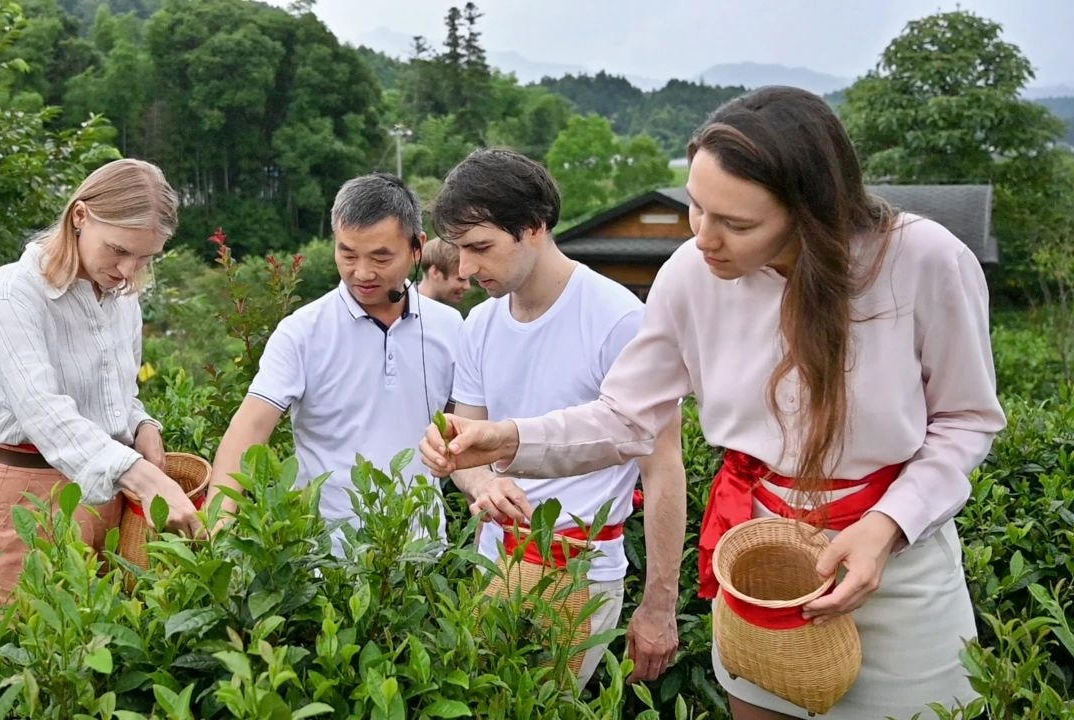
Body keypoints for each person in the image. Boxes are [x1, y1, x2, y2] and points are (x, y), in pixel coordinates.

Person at [420, 86, 1006, 720]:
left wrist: (887, 528)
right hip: (754, 560)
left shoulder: (922, 260)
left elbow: (966, 419)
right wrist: (506, 439)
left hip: (895, 566)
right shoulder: (690, 275)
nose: (704, 238)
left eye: (738, 223)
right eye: (697, 208)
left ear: (809, 211)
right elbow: (627, 418)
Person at [432, 148, 687, 690]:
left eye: (480, 248)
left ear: (534, 228)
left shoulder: (618, 319)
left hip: (582, 569)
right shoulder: (479, 324)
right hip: (494, 562)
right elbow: (467, 451)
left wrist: (660, 605)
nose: (466, 269)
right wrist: (479, 483)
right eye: (459, 251)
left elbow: (662, 468)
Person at [0, 158, 202, 616]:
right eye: (118, 250)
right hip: (29, 499)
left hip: (107, 492)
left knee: (96, 654)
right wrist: (143, 474)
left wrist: (142, 424)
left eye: (145, 258)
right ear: (79, 217)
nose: (129, 270)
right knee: (11, 652)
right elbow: (44, 411)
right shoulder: (13, 293)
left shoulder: (120, 298)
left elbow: (117, 393)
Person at [207, 173, 462, 552]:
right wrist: (217, 526)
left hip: (422, 556)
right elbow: (249, 431)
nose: (362, 272)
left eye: (380, 257)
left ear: (417, 248)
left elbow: (469, 429)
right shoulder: (303, 332)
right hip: (325, 561)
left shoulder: (450, 328)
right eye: (347, 254)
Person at [415, 234, 471, 306]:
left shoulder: (450, 314)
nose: (467, 286)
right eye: (460, 279)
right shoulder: (401, 308)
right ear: (435, 272)